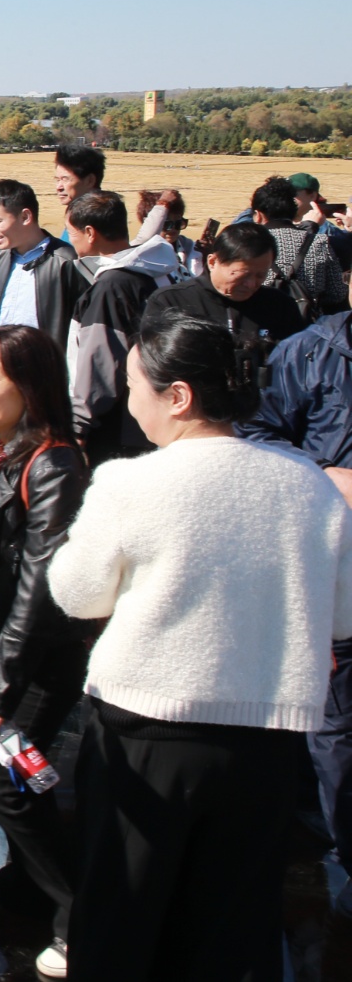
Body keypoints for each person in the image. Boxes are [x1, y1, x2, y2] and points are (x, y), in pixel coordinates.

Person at [47, 312, 352, 980]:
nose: (128, 401)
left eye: (134, 386)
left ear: (177, 394)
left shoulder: (133, 481)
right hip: (266, 742)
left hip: (143, 734)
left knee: (120, 920)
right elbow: (342, 614)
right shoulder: (309, 482)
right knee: (232, 931)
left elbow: (76, 592)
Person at [0, 327, 94, 978]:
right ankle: (32, 883)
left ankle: (78, 912)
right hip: (10, 645)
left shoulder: (56, 463)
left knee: (7, 783)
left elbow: (40, 586)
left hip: (45, 654)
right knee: (9, 777)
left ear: (30, 386)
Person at [240, 307, 352, 919]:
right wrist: (325, 476)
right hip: (332, 559)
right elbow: (257, 436)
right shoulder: (311, 352)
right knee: (332, 724)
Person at [63, 191, 169, 465]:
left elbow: (99, 365)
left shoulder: (112, 287)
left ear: (90, 232)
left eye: (70, 232)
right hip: (159, 417)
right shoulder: (160, 269)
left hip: (118, 429)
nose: (69, 239)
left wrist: (78, 427)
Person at [140, 221, 308, 347]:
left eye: (260, 275)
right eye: (242, 274)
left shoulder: (280, 306)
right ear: (212, 262)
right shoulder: (171, 302)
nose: (250, 284)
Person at [0, 180, 90, 355]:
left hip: (45, 370)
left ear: (25, 217)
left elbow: (83, 326)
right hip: (0, 366)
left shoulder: (65, 260)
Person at [251, 175, 350, 317]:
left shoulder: (249, 242)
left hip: (259, 320)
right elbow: (337, 293)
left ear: (258, 215)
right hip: (305, 323)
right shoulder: (319, 242)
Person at [52, 145, 106, 244]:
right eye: (57, 180)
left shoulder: (101, 218)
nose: (59, 187)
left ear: (90, 180)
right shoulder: (75, 214)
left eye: (65, 179)